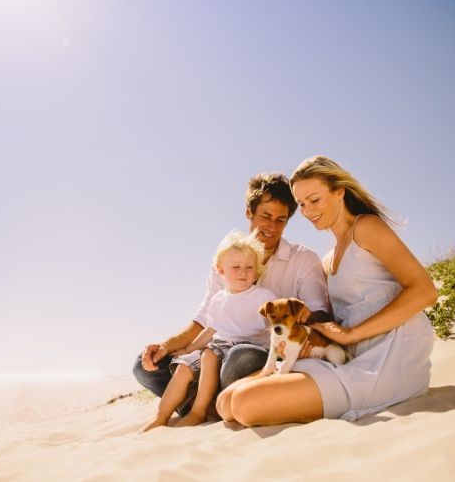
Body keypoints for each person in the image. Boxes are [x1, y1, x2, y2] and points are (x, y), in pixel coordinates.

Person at [217, 155, 437, 426]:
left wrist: (351, 334)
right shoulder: (327, 259)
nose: (308, 211)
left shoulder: (366, 227)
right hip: (348, 356)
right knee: (225, 402)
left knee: (244, 404)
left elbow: (425, 291)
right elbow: (332, 321)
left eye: (314, 199)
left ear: (339, 192)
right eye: (301, 204)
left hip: (389, 357)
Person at [133, 173, 330, 413]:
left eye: (281, 220)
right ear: (249, 212)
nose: (272, 226)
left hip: (260, 353)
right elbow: (205, 319)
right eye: (265, 216)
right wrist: (166, 346)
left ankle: (207, 403)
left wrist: (296, 332)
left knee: (240, 357)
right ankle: (214, 404)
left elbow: (319, 313)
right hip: (216, 351)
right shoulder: (226, 259)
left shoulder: (303, 259)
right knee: (144, 367)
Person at [140, 230, 275, 432]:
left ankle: (198, 412)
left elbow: (276, 327)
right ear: (221, 271)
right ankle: (160, 418)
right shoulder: (218, 299)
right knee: (185, 366)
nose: (243, 272)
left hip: (248, 348)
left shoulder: (263, 296)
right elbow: (211, 330)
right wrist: (189, 349)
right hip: (220, 345)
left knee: (210, 354)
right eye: (236, 267)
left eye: (249, 267)